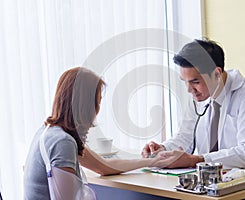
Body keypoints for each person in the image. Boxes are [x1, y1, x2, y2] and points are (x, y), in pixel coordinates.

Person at [24, 67, 175, 199]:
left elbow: (103, 167)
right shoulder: (62, 142)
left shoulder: (50, 132)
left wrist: (153, 161)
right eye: (98, 101)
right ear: (87, 105)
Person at [142, 39, 245, 169]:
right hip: (218, 180)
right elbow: (186, 137)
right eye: (185, 81)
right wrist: (162, 150)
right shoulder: (198, 96)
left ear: (217, 73)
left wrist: (197, 160)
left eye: (195, 82)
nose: (189, 89)